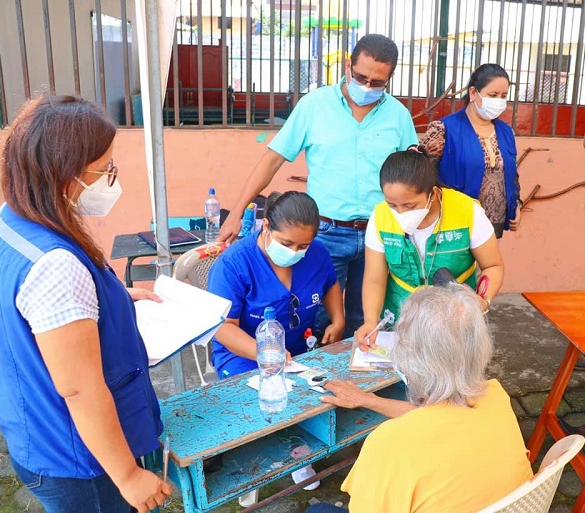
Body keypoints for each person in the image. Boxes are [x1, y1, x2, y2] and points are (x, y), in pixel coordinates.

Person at [0, 95, 172, 513]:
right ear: (65, 174)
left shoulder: (11, 219)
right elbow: (79, 388)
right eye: (105, 168)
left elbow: (38, 312)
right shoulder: (55, 266)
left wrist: (115, 297)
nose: (111, 177)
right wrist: (127, 475)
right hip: (78, 459)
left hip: (31, 428)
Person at [218, 34, 418, 338]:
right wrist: (236, 212)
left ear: (390, 78)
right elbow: (272, 161)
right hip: (324, 236)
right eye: (361, 76)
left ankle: (360, 385)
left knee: (368, 321)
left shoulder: (399, 116)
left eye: (377, 82)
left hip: (380, 233)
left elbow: (412, 175)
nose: (366, 86)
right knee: (320, 323)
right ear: (348, 65)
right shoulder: (314, 105)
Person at [308, 285, 533, 512]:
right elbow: (438, 419)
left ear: (410, 359)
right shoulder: (496, 396)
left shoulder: (388, 443)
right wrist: (369, 400)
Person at [207, 191, 345, 494]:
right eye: (287, 244)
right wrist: (264, 353)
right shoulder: (234, 264)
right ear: (266, 226)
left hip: (297, 350)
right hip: (242, 354)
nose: (296, 252)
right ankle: (251, 471)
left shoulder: (317, 254)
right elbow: (223, 329)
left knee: (315, 392)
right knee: (264, 401)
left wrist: (337, 319)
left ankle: (298, 449)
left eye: (303, 246)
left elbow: (331, 283)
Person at [354, 146, 504, 346]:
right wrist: (371, 322)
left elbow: (492, 266)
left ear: (433, 193)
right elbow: (375, 279)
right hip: (401, 319)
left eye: (410, 206)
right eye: (392, 205)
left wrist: (483, 300)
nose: (400, 213)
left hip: (454, 320)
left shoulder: (467, 211)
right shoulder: (380, 216)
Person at [421, 63, 522, 239]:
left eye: (503, 96)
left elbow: (512, 172)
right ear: (473, 93)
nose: (498, 101)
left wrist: (516, 204)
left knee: (490, 266)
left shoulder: (506, 132)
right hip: (454, 224)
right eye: (493, 95)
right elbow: (422, 174)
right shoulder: (444, 129)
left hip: (492, 226)